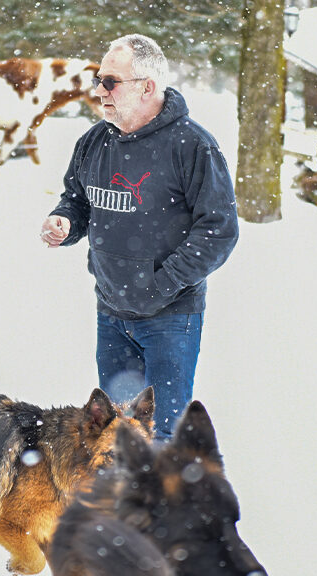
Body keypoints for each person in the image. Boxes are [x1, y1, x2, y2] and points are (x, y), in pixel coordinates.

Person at [40, 34, 238, 441]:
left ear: (148, 86)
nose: (98, 91)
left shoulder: (192, 146)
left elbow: (219, 230)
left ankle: (162, 505)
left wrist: (159, 285)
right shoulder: (95, 141)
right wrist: (64, 221)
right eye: (99, 80)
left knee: (161, 436)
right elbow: (77, 200)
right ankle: (123, 505)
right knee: (112, 437)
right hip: (111, 315)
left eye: (110, 82)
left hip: (169, 319)